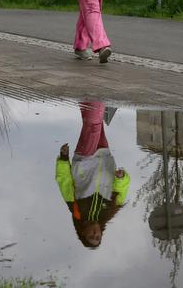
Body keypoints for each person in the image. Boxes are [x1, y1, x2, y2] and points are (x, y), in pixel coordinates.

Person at [55, 102, 130, 248]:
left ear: (83, 233)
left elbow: (64, 181)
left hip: (85, 160)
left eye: (91, 236)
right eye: (98, 237)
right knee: (96, 122)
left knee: (93, 125)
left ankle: (95, 97)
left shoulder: (76, 210)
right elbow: (122, 188)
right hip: (104, 158)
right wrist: (121, 177)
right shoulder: (109, 211)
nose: (96, 234)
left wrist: (64, 159)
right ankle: (86, 98)